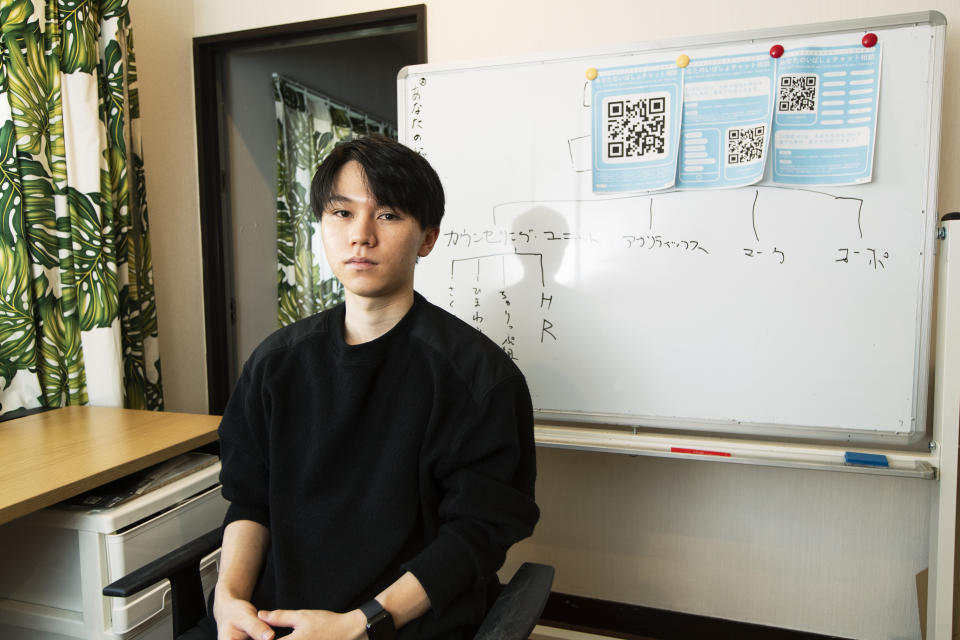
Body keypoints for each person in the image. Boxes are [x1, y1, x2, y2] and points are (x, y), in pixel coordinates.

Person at [206, 135, 540, 640]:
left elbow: (477, 533)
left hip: (406, 625)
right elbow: (251, 501)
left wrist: (361, 624)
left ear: (427, 238)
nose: (360, 235)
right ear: (321, 226)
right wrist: (228, 601)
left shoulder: (479, 378)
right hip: (279, 623)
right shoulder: (275, 364)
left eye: (388, 215)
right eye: (342, 213)